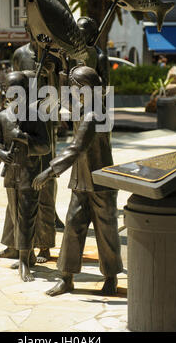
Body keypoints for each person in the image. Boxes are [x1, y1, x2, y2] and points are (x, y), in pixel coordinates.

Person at [33, 65, 123, 296]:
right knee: (73, 228)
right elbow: (66, 102)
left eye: (74, 88)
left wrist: (49, 172)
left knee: (106, 232)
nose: (70, 94)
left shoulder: (94, 114)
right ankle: (66, 278)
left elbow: (75, 148)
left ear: (84, 90)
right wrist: (61, 71)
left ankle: (110, 277)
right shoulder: (85, 107)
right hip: (81, 181)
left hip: (101, 183)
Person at [0, 71, 50, 282]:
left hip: (29, 173)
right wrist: (0, 153)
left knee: (26, 217)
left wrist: (23, 137)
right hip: (11, 175)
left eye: (19, 93)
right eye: (10, 93)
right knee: (16, 216)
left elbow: (45, 146)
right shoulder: (2, 117)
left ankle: (24, 261)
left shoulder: (35, 116)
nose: (14, 98)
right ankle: (26, 253)